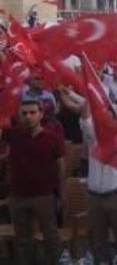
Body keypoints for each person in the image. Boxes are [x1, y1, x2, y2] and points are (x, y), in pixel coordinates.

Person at [1, 99, 64, 265]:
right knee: (22, 239)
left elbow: (61, 167)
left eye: (32, 112)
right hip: (18, 196)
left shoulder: (52, 138)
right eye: (24, 113)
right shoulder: (13, 134)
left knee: (51, 237)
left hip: (44, 195)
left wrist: (62, 193)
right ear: (19, 115)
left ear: (41, 114)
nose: (28, 116)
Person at [80, 100, 117, 265]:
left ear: (115, 120)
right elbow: (85, 121)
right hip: (94, 197)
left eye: (108, 118)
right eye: (101, 118)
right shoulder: (93, 139)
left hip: (116, 197)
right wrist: (87, 97)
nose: (104, 121)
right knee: (98, 239)